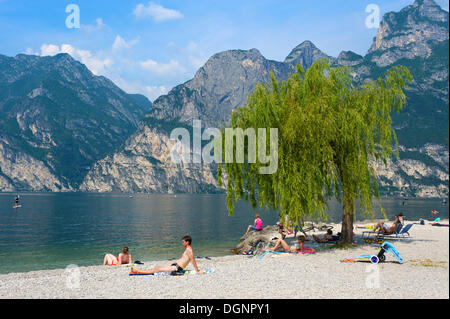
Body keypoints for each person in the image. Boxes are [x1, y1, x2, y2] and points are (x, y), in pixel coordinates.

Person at [131, 235, 200, 274]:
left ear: (187, 242)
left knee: (157, 269)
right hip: (175, 265)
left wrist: (197, 270)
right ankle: (138, 270)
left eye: (183, 242)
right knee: (157, 267)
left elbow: (193, 260)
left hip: (176, 268)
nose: (182, 243)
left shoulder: (189, 250)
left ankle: (138, 271)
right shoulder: (187, 249)